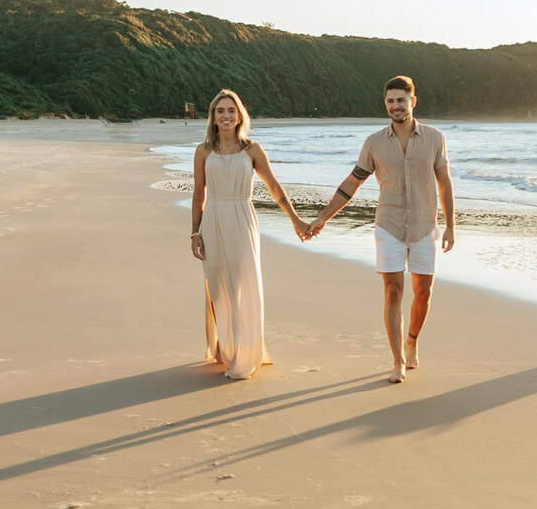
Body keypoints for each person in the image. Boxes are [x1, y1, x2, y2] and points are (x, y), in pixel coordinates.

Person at [309, 75, 455, 383]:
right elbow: (352, 182)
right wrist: (324, 217)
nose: (395, 106)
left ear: (413, 102)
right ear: (385, 104)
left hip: (425, 225)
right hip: (388, 225)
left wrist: (451, 226)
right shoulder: (374, 143)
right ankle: (398, 360)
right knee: (392, 291)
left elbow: (444, 184)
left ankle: (412, 340)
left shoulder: (434, 138)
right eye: (390, 101)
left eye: (401, 100)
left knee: (423, 293)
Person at [190, 89, 312, 379]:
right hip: (214, 220)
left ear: (240, 114)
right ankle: (224, 347)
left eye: (231, 110)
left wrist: (295, 220)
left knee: (244, 283)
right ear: (213, 117)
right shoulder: (203, 151)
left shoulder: (252, 150)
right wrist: (194, 232)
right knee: (217, 284)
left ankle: (246, 350)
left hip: (243, 219)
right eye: (220, 111)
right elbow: (198, 194)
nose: (226, 115)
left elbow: (274, 186)